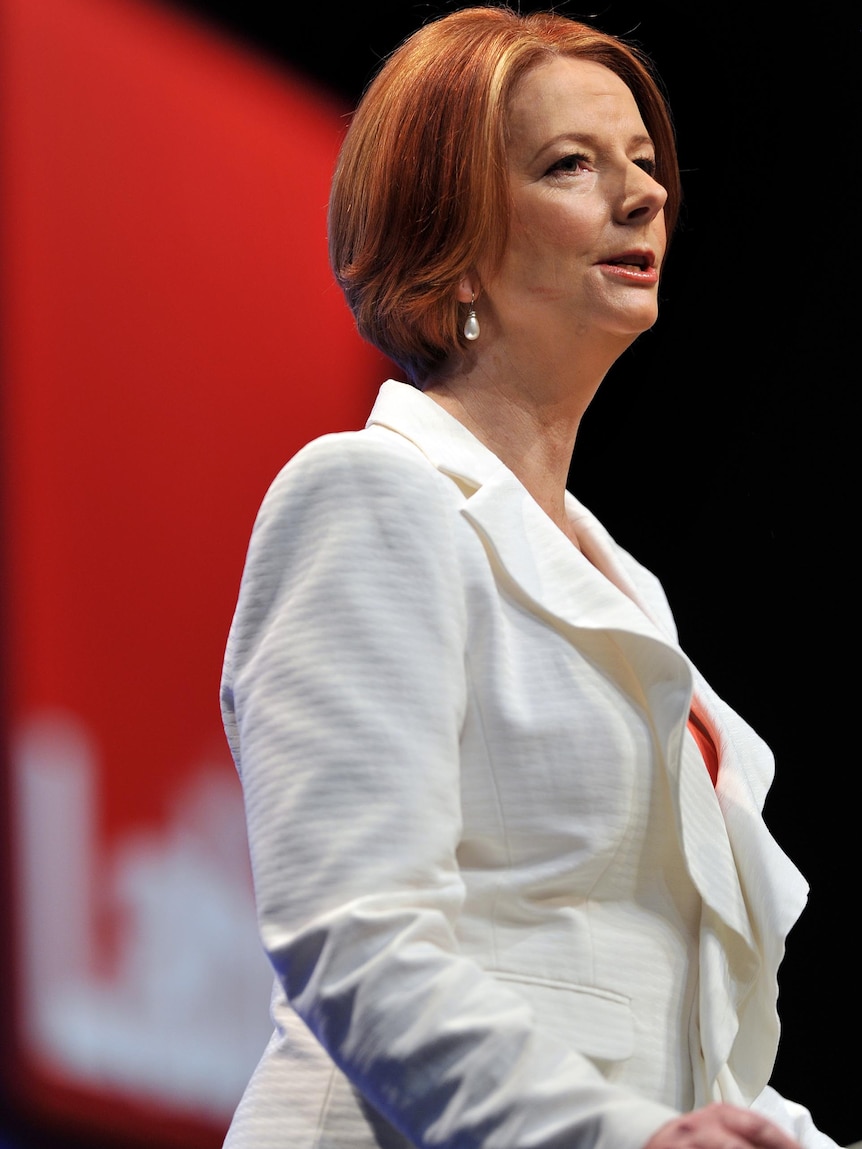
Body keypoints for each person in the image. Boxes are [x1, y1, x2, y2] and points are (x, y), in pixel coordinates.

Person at [218, 6, 844, 1147]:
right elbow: (355, 939)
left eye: (646, 166)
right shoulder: (371, 494)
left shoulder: (625, 584)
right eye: (571, 165)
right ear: (450, 233)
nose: (645, 196)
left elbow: (674, 1024)